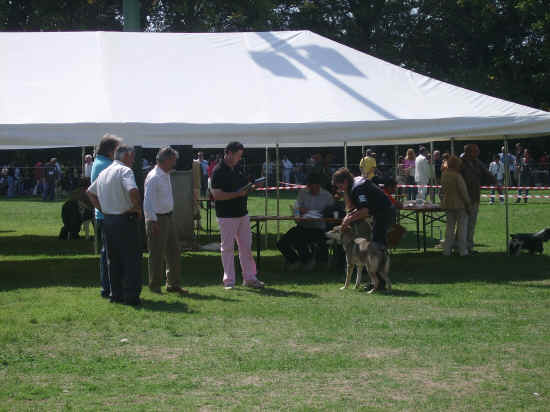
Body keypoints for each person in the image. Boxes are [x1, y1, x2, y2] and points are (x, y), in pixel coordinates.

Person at [87, 144, 143, 306]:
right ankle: (131, 296)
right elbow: (132, 190)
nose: (133, 160)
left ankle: (115, 294)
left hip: (108, 220)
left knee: (113, 260)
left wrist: (102, 209)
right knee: (131, 259)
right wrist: (137, 207)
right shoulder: (125, 171)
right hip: (125, 219)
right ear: (125, 156)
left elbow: (90, 193)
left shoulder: (105, 172)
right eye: (132, 157)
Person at [210, 141, 264, 290]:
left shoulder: (238, 168)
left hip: (242, 213)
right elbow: (216, 195)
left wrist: (252, 186)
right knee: (227, 248)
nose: (240, 158)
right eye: (238, 155)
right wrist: (236, 194)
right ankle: (229, 281)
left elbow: (245, 184)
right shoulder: (218, 171)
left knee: (246, 247)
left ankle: (250, 278)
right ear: (228, 153)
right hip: (226, 216)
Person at [144, 146, 186, 295]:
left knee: (174, 251)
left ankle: (173, 284)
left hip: (168, 217)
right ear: (166, 160)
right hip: (157, 219)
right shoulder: (154, 176)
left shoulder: (165, 174)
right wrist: (152, 221)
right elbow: (147, 202)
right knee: (156, 253)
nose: (175, 164)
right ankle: (155, 286)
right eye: (173, 161)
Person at [277, 173, 334, 271]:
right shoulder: (303, 193)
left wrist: (321, 216)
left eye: (314, 188)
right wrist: (297, 214)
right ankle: (295, 260)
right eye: (310, 187)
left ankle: (307, 260)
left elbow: (332, 215)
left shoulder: (327, 196)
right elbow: (296, 208)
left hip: (319, 228)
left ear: (319, 186)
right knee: (282, 242)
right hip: (303, 225)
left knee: (300, 239)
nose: (311, 190)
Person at [90, 133, 121, 299]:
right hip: (107, 215)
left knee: (106, 253)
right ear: (111, 150)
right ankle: (109, 288)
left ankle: (107, 287)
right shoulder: (106, 165)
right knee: (110, 254)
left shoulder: (99, 162)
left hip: (103, 214)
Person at [332, 168, 393, 248]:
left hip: (384, 211)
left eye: (340, 186)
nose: (340, 189)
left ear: (346, 181)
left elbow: (364, 211)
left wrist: (349, 219)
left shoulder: (358, 189)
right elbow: (351, 208)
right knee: (376, 239)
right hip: (377, 211)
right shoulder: (352, 184)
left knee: (378, 241)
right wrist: (349, 215)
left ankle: (381, 259)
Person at [460, 144, 500, 254]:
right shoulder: (460, 163)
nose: (478, 153)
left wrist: (496, 183)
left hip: (475, 198)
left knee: (471, 224)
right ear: (468, 152)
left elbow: (487, 173)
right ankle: (462, 248)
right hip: (463, 199)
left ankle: (469, 247)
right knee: (463, 224)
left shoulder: (477, 162)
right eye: (475, 151)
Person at [440, 156, 471, 256]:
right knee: (462, 228)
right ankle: (462, 251)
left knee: (449, 228)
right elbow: (463, 192)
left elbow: (442, 191)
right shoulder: (457, 176)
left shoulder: (444, 175)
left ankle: (446, 250)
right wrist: (468, 203)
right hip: (460, 204)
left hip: (448, 204)